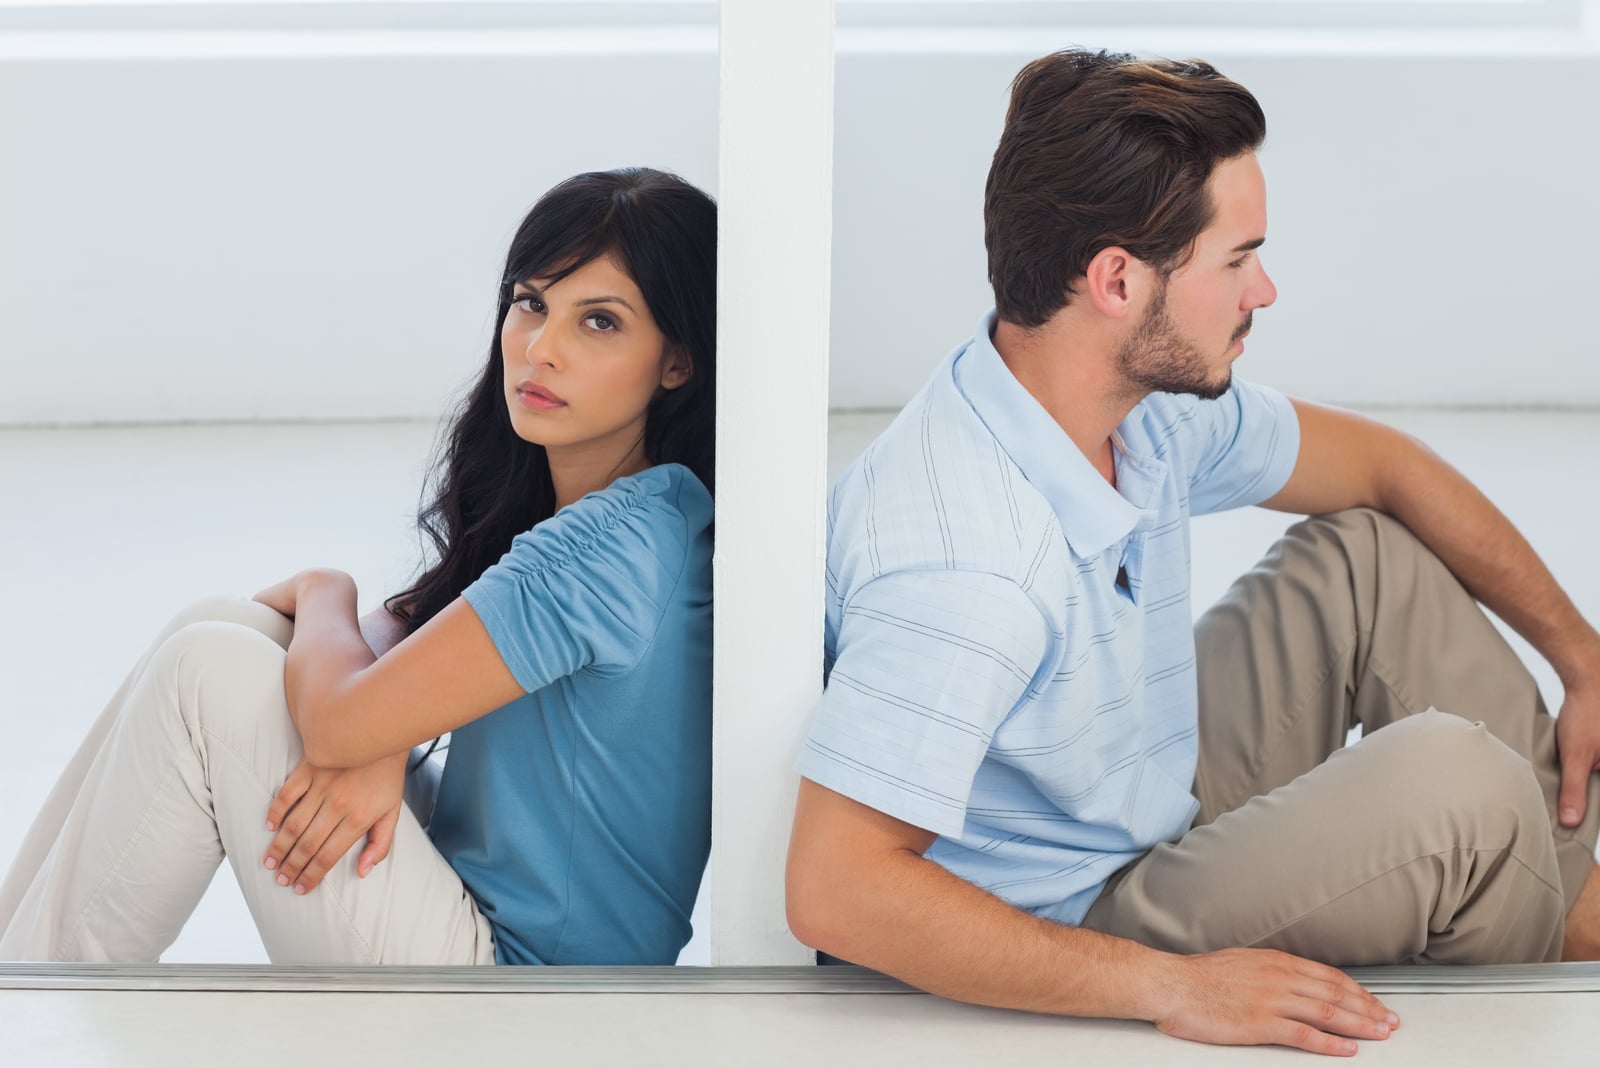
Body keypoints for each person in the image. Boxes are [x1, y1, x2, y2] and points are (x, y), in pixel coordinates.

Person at [785, 49, 1600, 1056]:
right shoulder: (966, 563)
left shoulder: (1133, 408)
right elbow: (836, 893)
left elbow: (1387, 466)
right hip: (1065, 914)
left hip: (1137, 806)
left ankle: (1562, 907)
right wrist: (1166, 987)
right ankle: (1560, 926)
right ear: (1118, 280)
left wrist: (1581, 653)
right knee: (1460, 786)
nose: (1264, 287)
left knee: (1363, 559)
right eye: (1236, 258)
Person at [0, 167, 718, 967]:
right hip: (475, 922)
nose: (541, 350)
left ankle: (39, 1010)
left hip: (528, 999)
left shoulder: (604, 551)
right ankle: (16, 970)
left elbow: (341, 716)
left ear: (676, 363)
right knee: (232, 628)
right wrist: (376, 733)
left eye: (600, 323)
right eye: (532, 304)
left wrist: (324, 589)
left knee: (206, 668)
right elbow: (387, 663)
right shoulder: (648, 511)